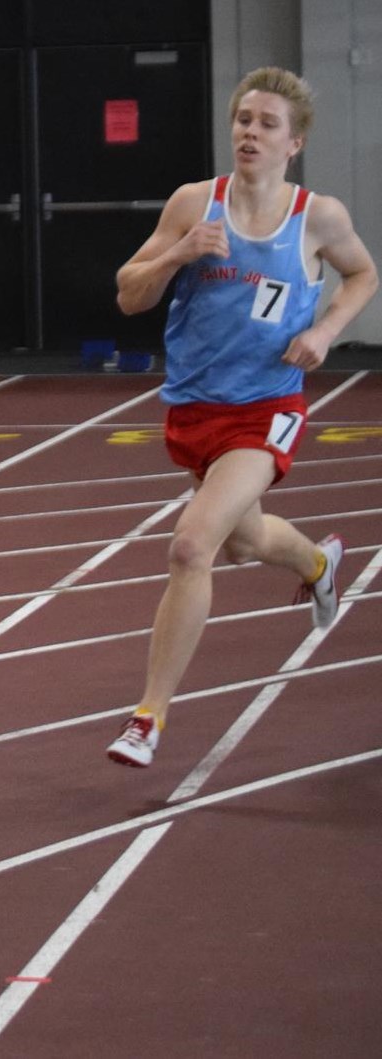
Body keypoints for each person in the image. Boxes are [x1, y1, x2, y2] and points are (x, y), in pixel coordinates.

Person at [106, 67, 376, 768]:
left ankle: (147, 718)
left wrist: (325, 333)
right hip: (194, 406)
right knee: (240, 539)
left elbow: (362, 274)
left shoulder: (318, 216)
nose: (249, 132)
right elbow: (129, 295)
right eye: (242, 119)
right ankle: (317, 562)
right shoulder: (195, 204)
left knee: (192, 545)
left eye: (265, 124)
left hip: (268, 405)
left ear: (295, 142)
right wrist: (178, 251)